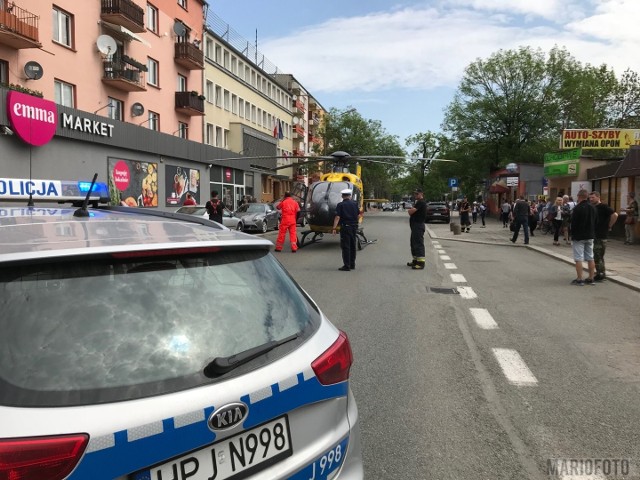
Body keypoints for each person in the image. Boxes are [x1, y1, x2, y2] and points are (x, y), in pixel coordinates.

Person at [589, 191, 618, 281]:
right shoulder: (593, 207)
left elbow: (615, 215)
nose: (591, 199)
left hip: (601, 234)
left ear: (598, 197)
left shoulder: (603, 206)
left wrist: (609, 225)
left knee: (598, 255)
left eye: (593, 197)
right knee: (597, 255)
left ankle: (600, 274)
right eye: (590, 198)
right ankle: (601, 272)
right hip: (594, 234)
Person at [570, 189, 597, 286]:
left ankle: (580, 279)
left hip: (579, 236)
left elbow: (574, 223)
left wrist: (572, 235)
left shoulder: (577, 208)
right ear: (587, 197)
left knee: (578, 258)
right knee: (590, 257)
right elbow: (595, 221)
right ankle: (591, 278)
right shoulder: (593, 207)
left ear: (579, 196)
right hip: (590, 235)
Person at [332, 189, 360, 271]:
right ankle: (352, 264)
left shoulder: (340, 205)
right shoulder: (355, 204)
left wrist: (334, 228)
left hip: (346, 227)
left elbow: (337, 217)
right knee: (352, 245)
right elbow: (358, 215)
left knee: (346, 246)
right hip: (354, 227)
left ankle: (346, 265)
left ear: (342, 196)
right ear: (350, 196)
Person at [407, 188, 427, 270]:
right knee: (413, 243)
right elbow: (412, 211)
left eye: (417, 194)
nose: (415, 195)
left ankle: (421, 263)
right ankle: (415, 260)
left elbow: (410, 212)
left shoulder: (421, 202)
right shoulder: (418, 202)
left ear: (421, 194)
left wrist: (410, 210)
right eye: (415, 194)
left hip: (418, 226)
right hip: (415, 226)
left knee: (418, 244)